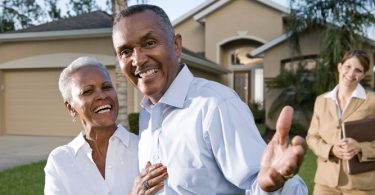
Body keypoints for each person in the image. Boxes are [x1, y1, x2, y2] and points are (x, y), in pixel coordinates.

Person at [112, 4, 307, 194]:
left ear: (176, 45)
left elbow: (259, 182)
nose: (137, 60)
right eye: (125, 51)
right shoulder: (147, 116)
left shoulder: (216, 105)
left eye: (149, 43)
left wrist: (273, 187)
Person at [44, 56, 168, 195]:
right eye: (88, 91)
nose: (102, 95)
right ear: (71, 108)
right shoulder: (60, 161)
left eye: (106, 87)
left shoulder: (144, 148)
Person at [306, 49, 375, 195]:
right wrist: (330, 150)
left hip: (360, 186)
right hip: (325, 183)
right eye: (348, 67)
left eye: (358, 70)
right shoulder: (321, 101)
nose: (351, 73)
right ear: (339, 67)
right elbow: (311, 138)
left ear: (363, 75)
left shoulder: (372, 101)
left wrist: (361, 147)